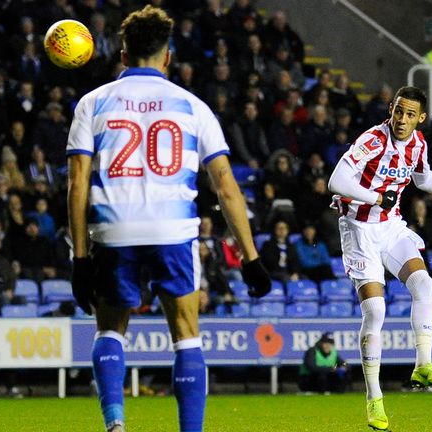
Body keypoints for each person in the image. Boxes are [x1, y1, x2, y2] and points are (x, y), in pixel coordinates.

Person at [66, 7, 271, 432]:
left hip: (113, 228)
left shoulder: (92, 103)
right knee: (186, 333)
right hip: (172, 230)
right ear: (168, 58)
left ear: (123, 56)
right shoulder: (193, 107)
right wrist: (250, 257)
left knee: (110, 331)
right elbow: (226, 187)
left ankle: (116, 424)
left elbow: (77, 184)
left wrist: (81, 258)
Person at [327, 85, 432, 431]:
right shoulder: (372, 139)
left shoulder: (418, 145)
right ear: (391, 108)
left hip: (390, 226)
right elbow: (336, 180)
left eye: (410, 114)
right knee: (376, 310)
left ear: (421, 118)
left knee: (423, 282)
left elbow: (423, 177)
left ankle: (423, 363)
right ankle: (374, 398)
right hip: (358, 229)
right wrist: (373, 197)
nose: (402, 119)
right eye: (398, 111)